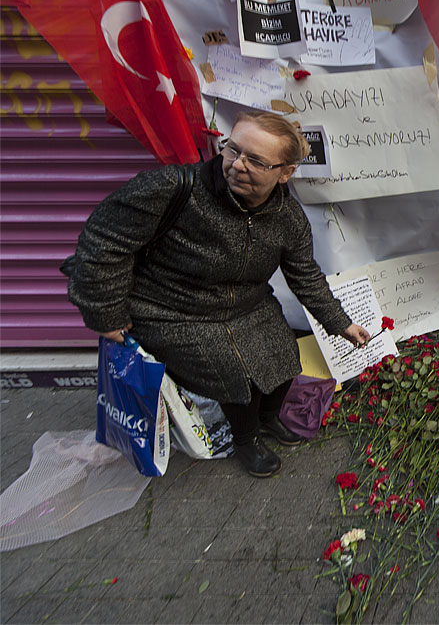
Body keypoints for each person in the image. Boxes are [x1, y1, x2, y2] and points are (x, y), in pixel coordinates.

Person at [62, 111, 370, 477]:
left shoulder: (288, 218)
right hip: (172, 308)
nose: (237, 165)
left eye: (255, 160)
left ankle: (269, 419)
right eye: (232, 150)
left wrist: (342, 324)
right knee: (233, 367)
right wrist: (107, 316)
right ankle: (246, 438)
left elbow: (305, 275)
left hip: (245, 304)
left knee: (285, 352)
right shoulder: (174, 188)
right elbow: (103, 243)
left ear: (284, 172)